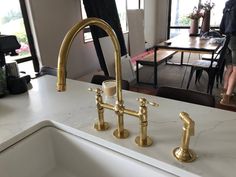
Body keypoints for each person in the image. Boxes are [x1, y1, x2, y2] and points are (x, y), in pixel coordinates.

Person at [220, 0, 236, 107]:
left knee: (229, 68)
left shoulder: (228, 4)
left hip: (228, 38)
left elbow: (222, 25)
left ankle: (224, 92)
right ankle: (227, 98)